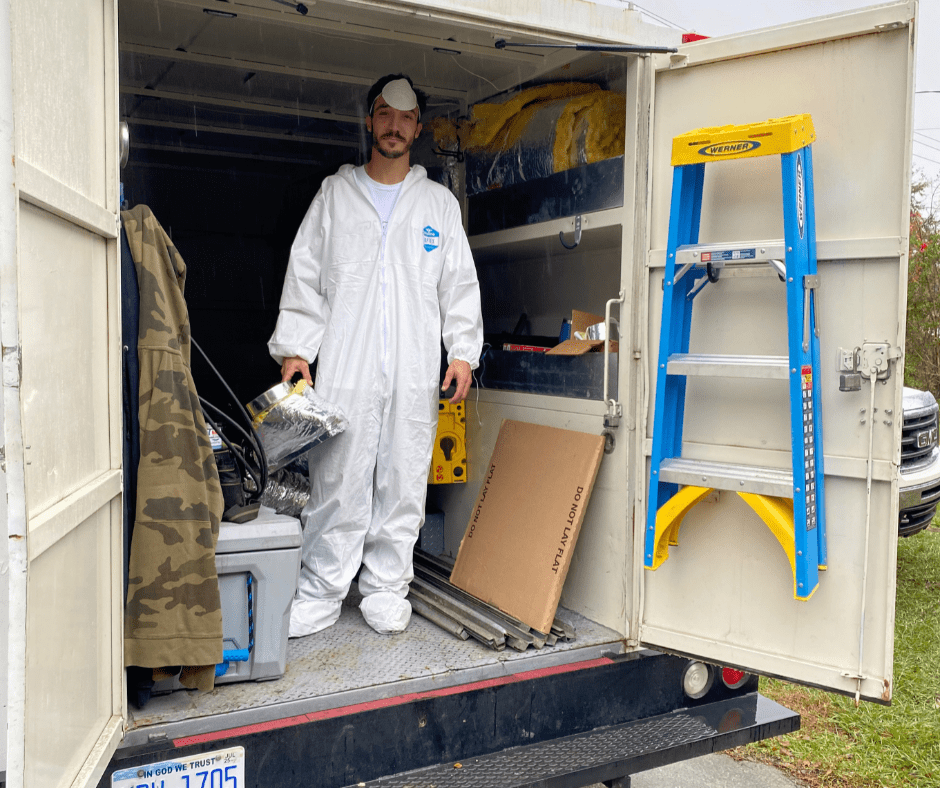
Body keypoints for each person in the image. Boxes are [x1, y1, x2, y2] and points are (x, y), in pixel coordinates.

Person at [268, 74, 483, 636]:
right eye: (384, 114)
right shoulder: (335, 197)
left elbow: (459, 285)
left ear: (418, 128)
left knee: (404, 477)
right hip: (347, 363)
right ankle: (320, 588)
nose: (394, 126)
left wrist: (462, 352)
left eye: (405, 118)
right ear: (370, 121)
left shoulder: (437, 204)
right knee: (337, 475)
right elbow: (306, 275)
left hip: (414, 370)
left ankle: (387, 588)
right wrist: (296, 350)